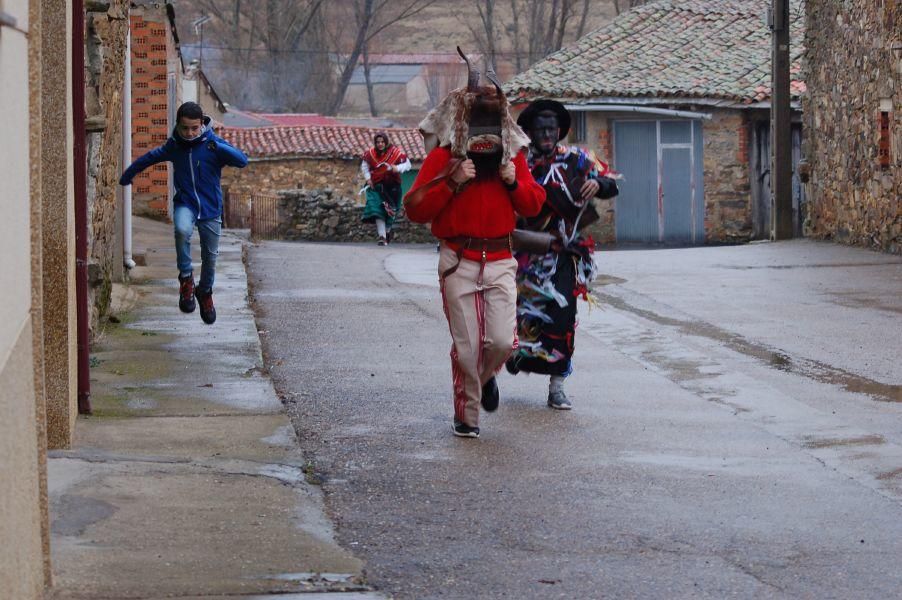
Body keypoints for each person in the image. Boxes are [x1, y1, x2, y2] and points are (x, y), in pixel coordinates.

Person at [404, 49, 546, 439]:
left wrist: (513, 180)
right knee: (467, 350)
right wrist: (452, 180)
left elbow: (534, 205)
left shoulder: (513, 159)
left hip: (500, 259)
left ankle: (484, 380)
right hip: (457, 260)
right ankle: (467, 416)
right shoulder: (444, 157)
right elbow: (414, 210)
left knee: (500, 342)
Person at [506, 99, 619, 409]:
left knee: (563, 318)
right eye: (540, 129)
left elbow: (612, 184)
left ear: (559, 131)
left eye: (552, 129)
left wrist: (597, 183)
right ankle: (511, 361)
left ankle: (557, 386)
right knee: (517, 316)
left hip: (565, 254)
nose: (547, 134)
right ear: (528, 132)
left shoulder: (577, 160)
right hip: (525, 254)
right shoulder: (518, 164)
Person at [119, 101, 248, 325]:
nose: (189, 133)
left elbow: (242, 161)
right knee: (181, 229)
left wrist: (217, 146)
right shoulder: (174, 146)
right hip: (185, 204)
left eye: (194, 128)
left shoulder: (213, 144)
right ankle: (186, 279)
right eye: (185, 128)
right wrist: (128, 175)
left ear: (201, 126)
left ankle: (205, 292)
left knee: (210, 257)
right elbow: (150, 157)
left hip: (210, 209)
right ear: (178, 125)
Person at [360, 133, 411, 245]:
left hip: (392, 187)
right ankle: (382, 237)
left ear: (386, 142)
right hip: (376, 187)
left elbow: (408, 165)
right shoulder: (371, 154)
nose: (380, 144)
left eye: (382, 142)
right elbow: (364, 165)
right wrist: (368, 178)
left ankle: (387, 232)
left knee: (391, 211)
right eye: (378, 142)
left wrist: (396, 168)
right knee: (378, 210)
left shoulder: (395, 153)